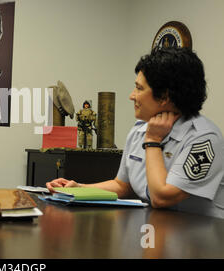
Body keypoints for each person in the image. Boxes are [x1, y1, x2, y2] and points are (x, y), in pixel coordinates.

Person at [47, 47, 224, 219]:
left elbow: (161, 197)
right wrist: (79, 188)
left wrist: (153, 142)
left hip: (199, 240)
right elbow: (122, 185)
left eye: (139, 88)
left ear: (164, 96)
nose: (132, 95)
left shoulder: (204, 139)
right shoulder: (140, 128)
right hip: (154, 230)